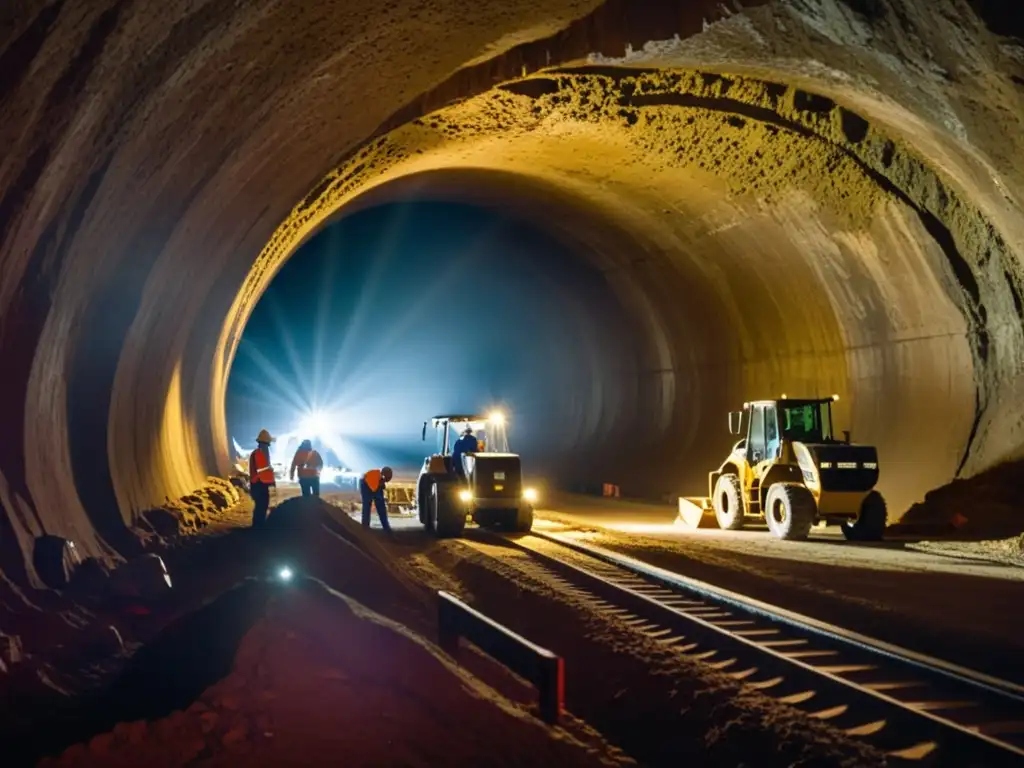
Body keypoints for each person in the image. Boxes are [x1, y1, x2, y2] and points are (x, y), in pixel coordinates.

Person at [249, 429, 276, 527]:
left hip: (259, 483)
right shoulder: (260, 453)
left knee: (262, 505)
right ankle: (258, 526)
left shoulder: (258, 452)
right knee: (261, 505)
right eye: (268, 444)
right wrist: (270, 479)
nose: (269, 446)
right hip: (259, 484)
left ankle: (259, 524)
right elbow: (261, 470)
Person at [360, 466, 394, 533]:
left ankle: (386, 529)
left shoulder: (380, 477)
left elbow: (379, 488)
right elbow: (374, 490)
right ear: (384, 476)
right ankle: (365, 528)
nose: (385, 482)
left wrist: (381, 485)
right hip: (365, 484)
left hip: (373, 484)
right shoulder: (374, 476)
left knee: (381, 509)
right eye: (385, 480)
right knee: (367, 507)